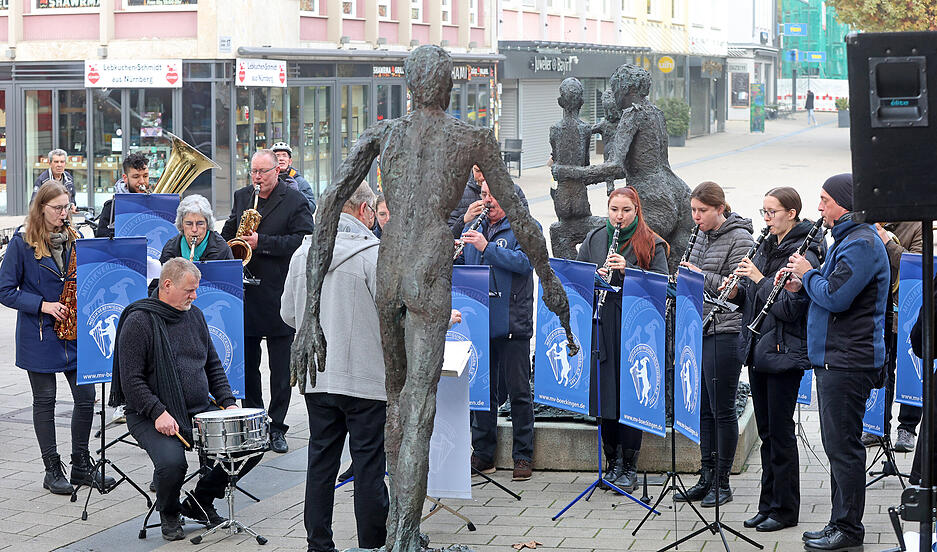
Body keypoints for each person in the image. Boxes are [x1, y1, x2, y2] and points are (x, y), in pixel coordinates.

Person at [289, 45, 574, 551]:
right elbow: (523, 217)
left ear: (408, 86)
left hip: (390, 266)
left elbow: (329, 204)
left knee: (397, 404)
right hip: (425, 272)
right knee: (416, 410)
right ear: (448, 86)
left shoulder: (384, 134)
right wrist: (547, 275)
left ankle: (405, 530)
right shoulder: (469, 137)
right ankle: (401, 539)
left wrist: (311, 313)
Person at [111, 258, 256, 541]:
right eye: (189, 290)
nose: (195, 295)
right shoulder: (139, 320)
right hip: (148, 413)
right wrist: (158, 412)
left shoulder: (195, 315)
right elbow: (131, 382)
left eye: (196, 289)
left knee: (248, 445)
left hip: (198, 408)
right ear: (167, 285)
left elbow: (212, 365)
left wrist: (229, 403)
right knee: (172, 463)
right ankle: (169, 512)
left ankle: (200, 501)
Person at [783, 173, 890, 551]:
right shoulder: (849, 239)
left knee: (843, 448)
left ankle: (848, 529)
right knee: (837, 446)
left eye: (825, 200)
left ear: (844, 203)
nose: (819, 208)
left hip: (847, 361)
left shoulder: (860, 243)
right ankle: (837, 523)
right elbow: (828, 291)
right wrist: (805, 285)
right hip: (835, 359)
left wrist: (808, 275)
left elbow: (836, 296)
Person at [281, 181, 389, 552]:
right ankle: (372, 545)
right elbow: (391, 320)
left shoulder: (304, 254)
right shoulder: (374, 255)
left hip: (318, 377)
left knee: (322, 462)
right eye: (374, 212)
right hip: (366, 378)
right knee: (369, 464)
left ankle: (318, 544)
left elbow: (287, 314)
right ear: (363, 211)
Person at [0, 182, 115, 496]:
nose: (65, 213)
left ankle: (80, 463)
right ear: (41, 208)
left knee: (86, 397)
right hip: (39, 334)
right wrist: (43, 305)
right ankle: (52, 469)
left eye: (67, 206)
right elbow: (5, 290)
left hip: (75, 332)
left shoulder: (75, 239)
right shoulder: (22, 243)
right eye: (58, 208)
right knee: (45, 401)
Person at [729, 187, 824, 532]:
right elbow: (755, 303)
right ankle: (767, 503)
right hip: (759, 349)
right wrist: (739, 290)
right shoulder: (768, 245)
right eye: (763, 211)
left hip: (785, 351)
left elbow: (789, 307)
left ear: (792, 213)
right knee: (767, 434)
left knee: (781, 436)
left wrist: (757, 279)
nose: (766, 218)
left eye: (772, 212)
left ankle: (785, 510)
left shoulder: (806, 252)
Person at [221, 149, 314, 454]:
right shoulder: (242, 195)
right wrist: (232, 241)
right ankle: (255, 419)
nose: (257, 178)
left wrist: (262, 243)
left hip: (277, 292)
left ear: (278, 171)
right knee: (248, 366)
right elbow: (227, 231)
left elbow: (303, 240)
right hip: (245, 293)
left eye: (263, 172)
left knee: (281, 369)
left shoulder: (295, 200)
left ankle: (277, 426)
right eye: (254, 172)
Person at [576, 186, 669, 491]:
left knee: (628, 396)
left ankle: (628, 466)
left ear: (636, 210)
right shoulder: (594, 239)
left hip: (634, 329)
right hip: (602, 324)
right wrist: (595, 278)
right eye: (614, 210)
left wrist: (629, 272)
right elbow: (578, 279)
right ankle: (611, 460)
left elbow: (663, 290)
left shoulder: (651, 242)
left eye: (626, 210)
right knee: (605, 396)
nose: (619, 216)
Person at [674, 181, 754, 507]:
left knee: (722, 409)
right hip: (698, 327)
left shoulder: (741, 238)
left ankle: (723, 481)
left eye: (702, 211)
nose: (696, 217)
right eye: (693, 211)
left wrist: (697, 275)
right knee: (702, 410)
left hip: (726, 329)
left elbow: (737, 289)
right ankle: (704, 476)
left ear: (720, 208)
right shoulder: (698, 237)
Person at [458, 181, 539, 481]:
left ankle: (523, 455)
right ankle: (483, 453)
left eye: (493, 196)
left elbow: (525, 262)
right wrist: (461, 241)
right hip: (480, 323)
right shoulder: (475, 225)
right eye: (483, 195)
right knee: (482, 393)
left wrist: (486, 248)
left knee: (518, 393)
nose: (487, 201)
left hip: (512, 323)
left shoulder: (526, 227)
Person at [860, 221, 924, 452]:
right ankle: (877, 427)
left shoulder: (916, 225)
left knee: (910, 369)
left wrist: (888, 242)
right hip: (876, 310)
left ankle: (907, 428)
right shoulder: (866, 223)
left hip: (905, 310)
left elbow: (917, 265)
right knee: (881, 369)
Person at [146, 194, 234, 295]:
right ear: (181, 225)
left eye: (200, 223)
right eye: (189, 224)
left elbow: (232, 289)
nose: (194, 229)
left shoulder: (221, 249)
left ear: (207, 224)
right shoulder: (171, 247)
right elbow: (157, 287)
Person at [448, 164, 528, 239]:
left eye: (486, 171)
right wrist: (464, 220)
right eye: (477, 171)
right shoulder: (459, 195)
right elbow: (448, 237)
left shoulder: (513, 191)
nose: (482, 177)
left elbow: (527, 228)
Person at [96, 152, 150, 238]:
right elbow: (101, 240)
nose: (142, 181)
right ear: (125, 178)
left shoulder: (153, 201)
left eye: (145, 176)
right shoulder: (111, 207)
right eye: (136, 177)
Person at [271, 142, 317, 210]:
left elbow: (311, 208)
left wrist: (297, 193)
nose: (281, 159)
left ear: (290, 161)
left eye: (284, 155)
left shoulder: (300, 182)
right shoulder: (267, 180)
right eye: (277, 156)